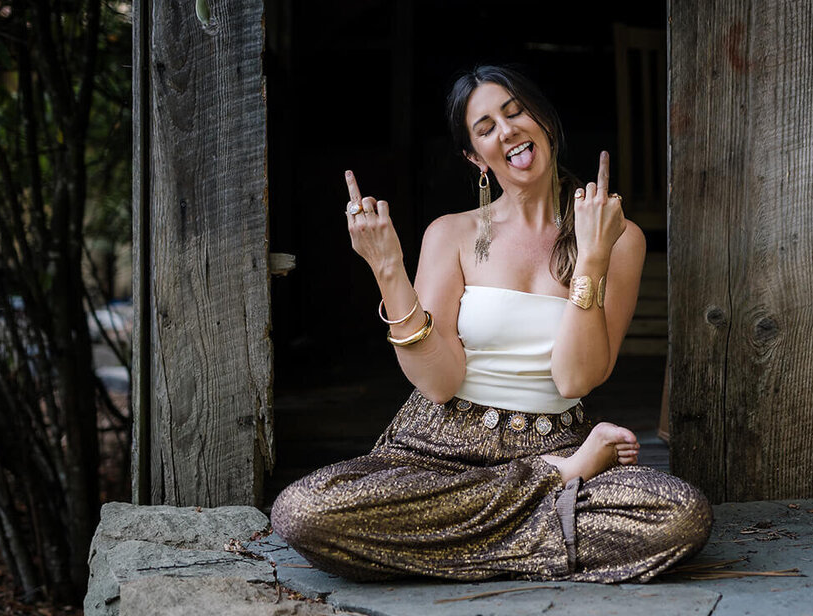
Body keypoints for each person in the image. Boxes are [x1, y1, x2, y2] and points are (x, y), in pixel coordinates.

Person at [270, 65, 712, 582]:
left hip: (556, 440)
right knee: (303, 511)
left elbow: (575, 379)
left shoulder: (618, 236)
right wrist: (388, 269)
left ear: (543, 120)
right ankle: (548, 497)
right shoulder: (451, 234)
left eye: (514, 111)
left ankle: (447, 544)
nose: (506, 131)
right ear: (475, 158)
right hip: (437, 452)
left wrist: (591, 258)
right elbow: (439, 381)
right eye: (485, 128)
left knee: (680, 515)